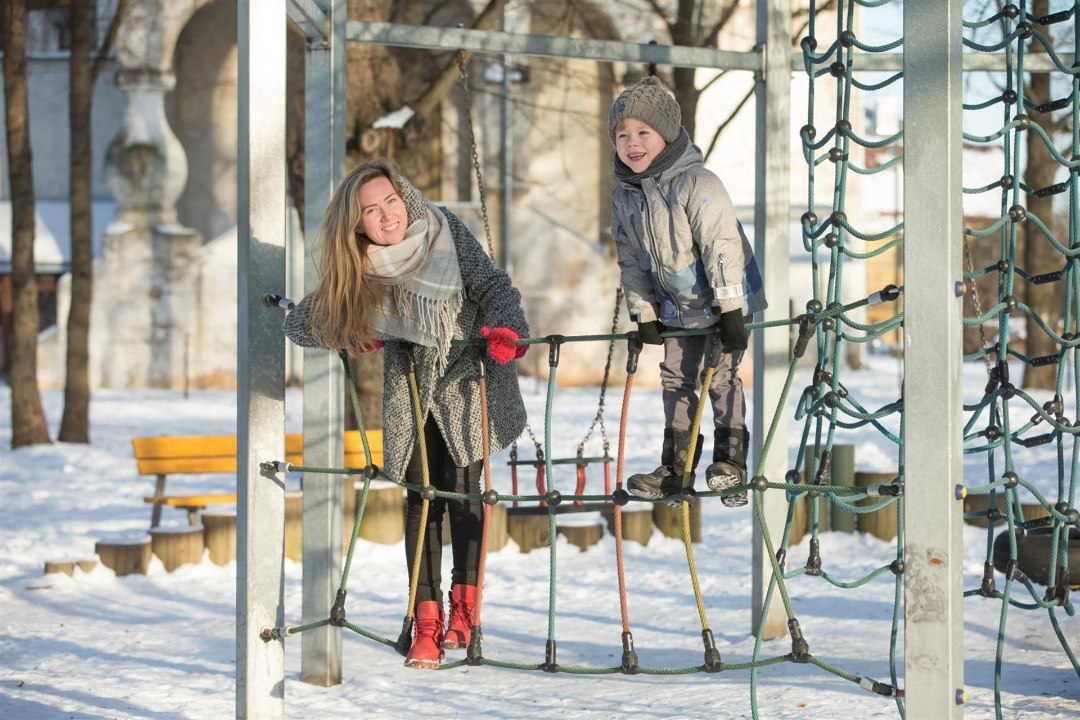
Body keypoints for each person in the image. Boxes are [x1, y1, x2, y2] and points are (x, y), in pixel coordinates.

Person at [282, 158, 529, 669]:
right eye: (371, 211)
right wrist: (352, 327)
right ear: (357, 224)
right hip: (412, 392)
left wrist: (506, 328)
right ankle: (427, 622)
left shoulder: (442, 229)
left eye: (390, 201)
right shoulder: (361, 269)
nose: (386, 216)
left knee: (464, 496)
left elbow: (494, 287)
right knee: (421, 501)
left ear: (405, 198)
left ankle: (466, 611)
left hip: (467, 379)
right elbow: (304, 324)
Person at [607, 76, 767, 506]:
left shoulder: (698, 182)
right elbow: (630, 262)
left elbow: (722, 247)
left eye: (643, 132)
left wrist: (732, 309)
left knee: (721, 376)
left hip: (725, 300)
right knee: (676, 380)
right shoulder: (625, 197)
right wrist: (644, 313)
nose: (632, 143)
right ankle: (677, 471)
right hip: (676, 308)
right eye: (622, 135)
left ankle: (730, 462)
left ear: (668, 134)